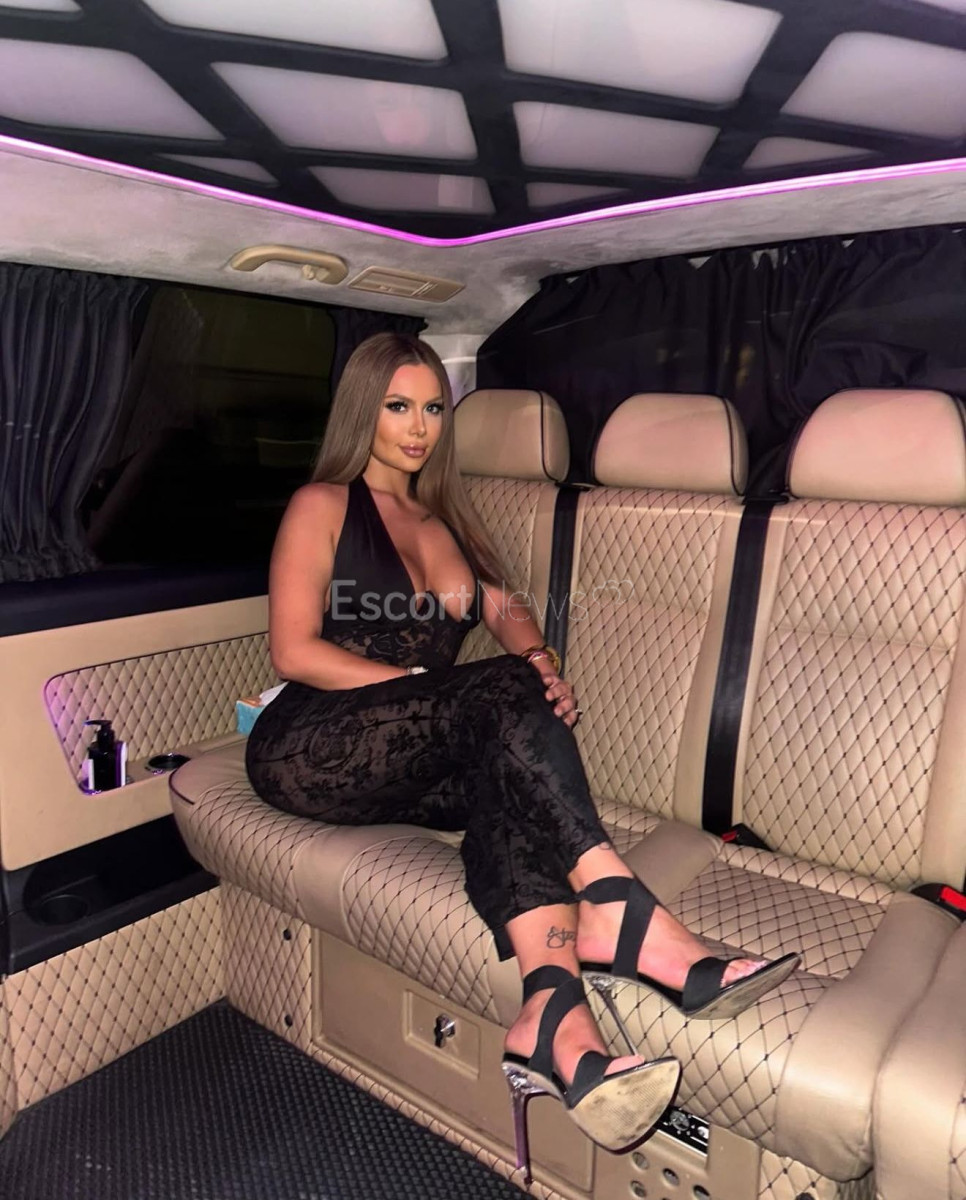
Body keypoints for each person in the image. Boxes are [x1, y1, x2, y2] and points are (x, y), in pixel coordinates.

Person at [245, 332, 799, 1176]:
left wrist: (539, 659)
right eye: (398, 407)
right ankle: (618, 906)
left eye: (434, 408)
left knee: (513, 776)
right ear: (363, 411)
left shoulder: (448, 521)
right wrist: (428, 691)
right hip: (313, 744)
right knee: (499, 700)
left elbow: (503, 609)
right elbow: (293, 651)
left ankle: (554, 1018)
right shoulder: (323, 503)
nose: (420, 427)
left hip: (412, 760)